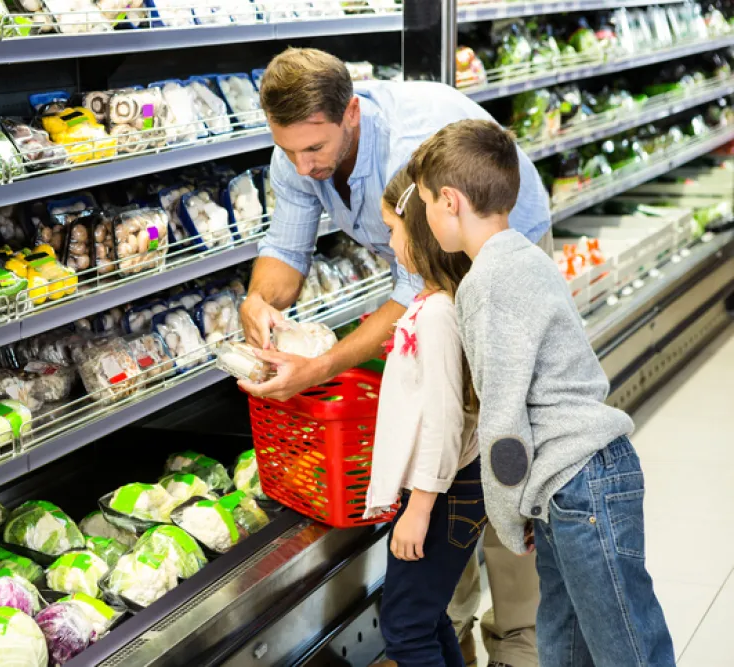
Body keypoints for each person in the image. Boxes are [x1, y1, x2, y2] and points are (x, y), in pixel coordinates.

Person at [240, 46, 544, 667]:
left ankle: (519, 643)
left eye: (315, 149)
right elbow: (285, 250)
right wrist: (259, 303)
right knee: (446, 423)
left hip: (502, 263)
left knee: (503, 444)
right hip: (423, 274)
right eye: (289, 149)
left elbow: (419, 293)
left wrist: (319, 368)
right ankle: (445, 624)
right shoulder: (297, 152)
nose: (304, 164)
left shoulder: (416, 153)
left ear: (351, 112)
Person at [406, 118, 676, 666]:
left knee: (627, 649)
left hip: (579, 485)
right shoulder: (526, 256)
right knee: (564, 641)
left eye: (429, 203)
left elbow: (503, 424)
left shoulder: (484, 284)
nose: (427, 219)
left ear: (451, 201)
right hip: (576, 484)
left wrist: (507, 519)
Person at [365, 168, 485, 667]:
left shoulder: (437, 314)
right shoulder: (434, 301)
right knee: (428, 615)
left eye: (393, 229)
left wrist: (418, 510)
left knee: (405, 628)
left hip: (444, 490)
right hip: (444, 486)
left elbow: (442, 420)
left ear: (419, 232)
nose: (389, 241)